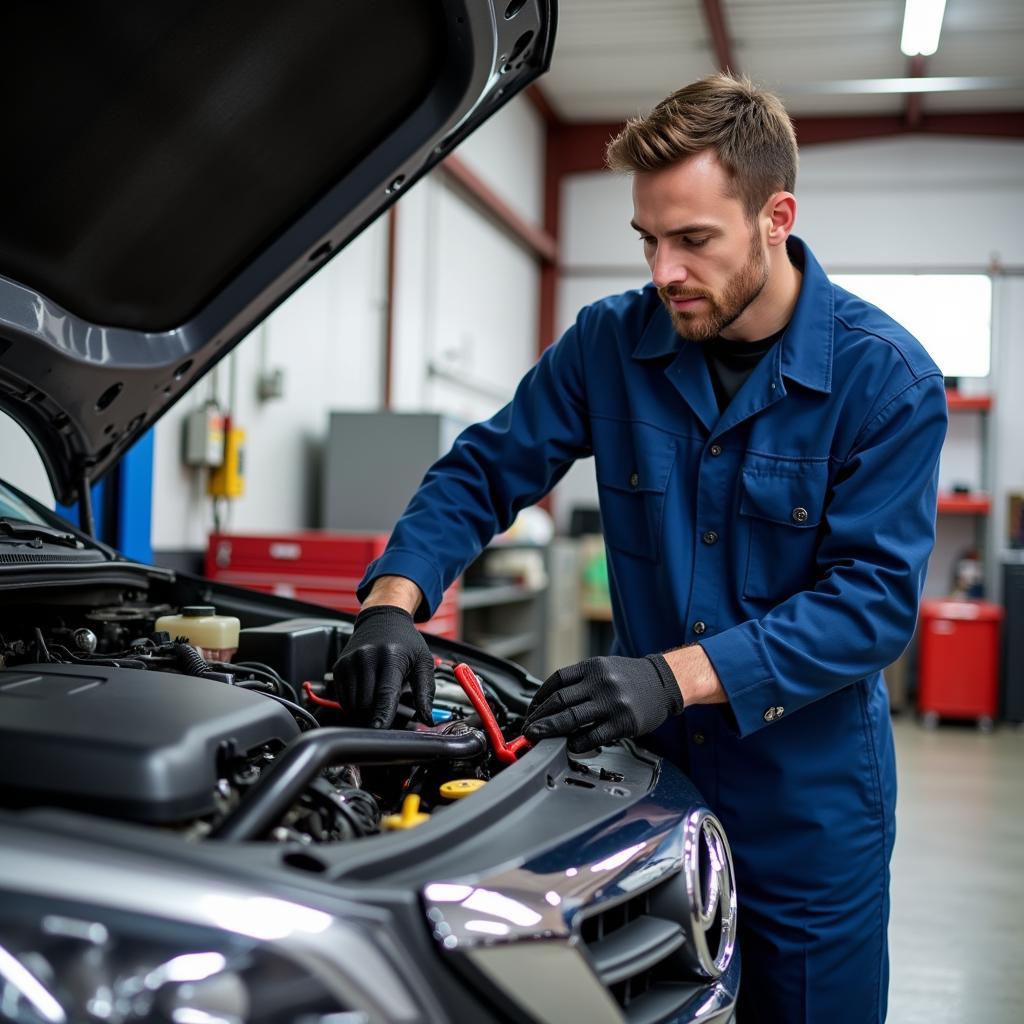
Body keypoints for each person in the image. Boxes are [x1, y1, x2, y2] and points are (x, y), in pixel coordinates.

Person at [333, 74, 947, 1022]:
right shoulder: (608, 345)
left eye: (693, 239)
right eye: (648, 240)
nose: (663, 271)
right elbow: (483, 472)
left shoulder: (888, 381)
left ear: (775, 217)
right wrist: (391, 602)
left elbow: (869, 605)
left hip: (811, 810)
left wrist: (674, 676)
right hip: (645, 782)